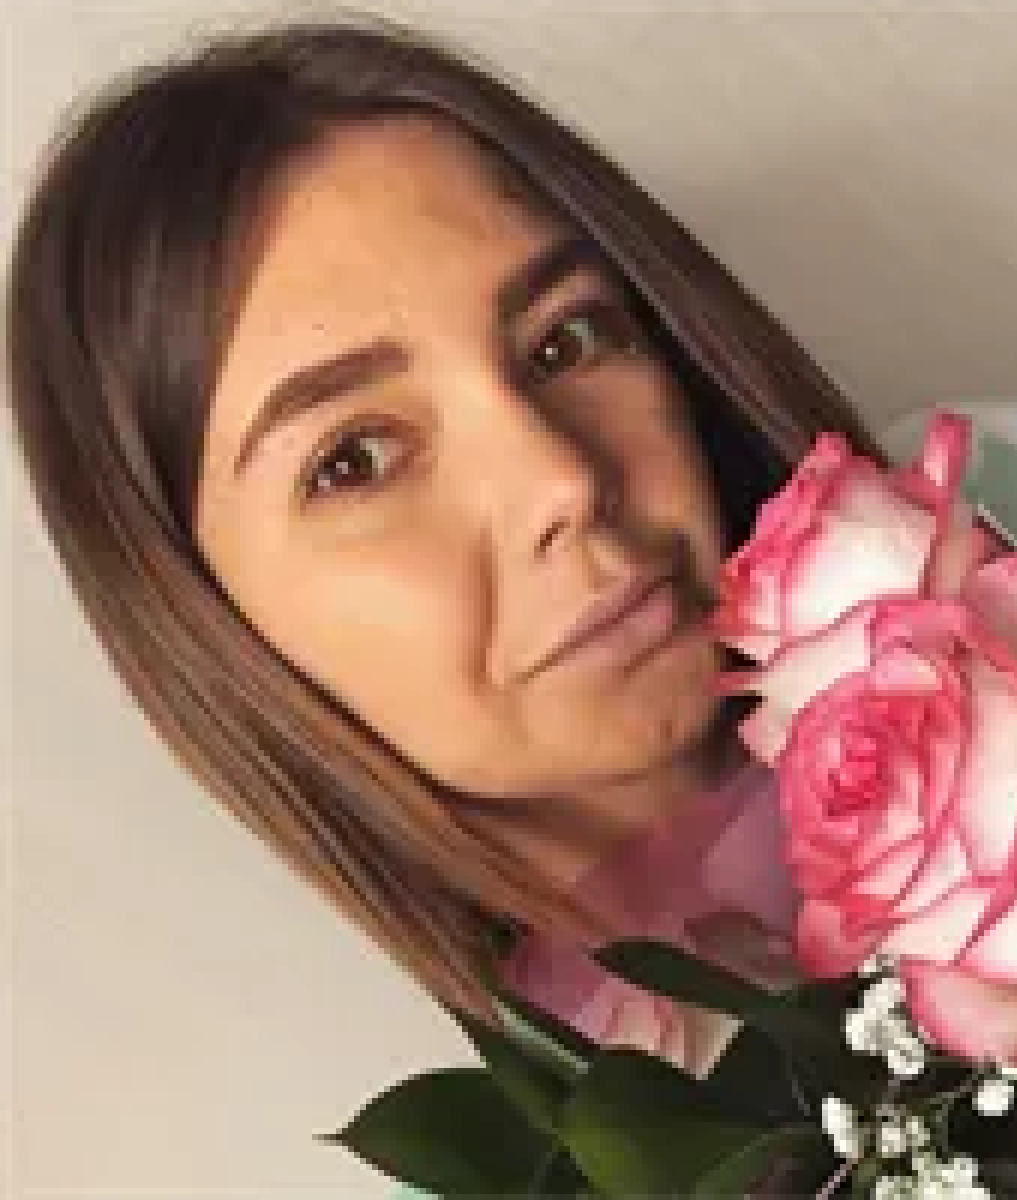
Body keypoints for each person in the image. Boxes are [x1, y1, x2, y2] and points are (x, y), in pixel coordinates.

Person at [4, 16, 882, 1057]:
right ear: (200, 612)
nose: (561, 480)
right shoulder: (518, 1135)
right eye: (355, 460)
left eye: (566, 340)